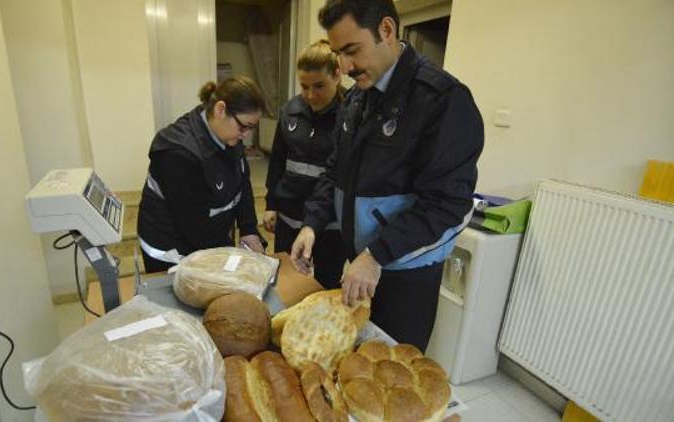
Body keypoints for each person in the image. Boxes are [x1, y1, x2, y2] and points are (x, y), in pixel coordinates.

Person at [290, 0, 484, 351]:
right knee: (355, 361)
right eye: (338, 54)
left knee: (393, 369)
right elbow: (337, 170)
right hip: (363, 263)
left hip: (405, 272)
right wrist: (312, 223)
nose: (345, 67)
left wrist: (376, 255)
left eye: (352, 51)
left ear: (387, 30)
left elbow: (447, 203)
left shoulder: (441, 100)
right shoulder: (357, 99)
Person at [137, 76, 266, 273]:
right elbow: (194, 228)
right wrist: (232, 261)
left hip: (208, 238)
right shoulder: (178, 154)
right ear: (220, 110)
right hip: (172, 251)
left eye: (251, 127)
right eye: (244, 126)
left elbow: (242, 182)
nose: (246, 135)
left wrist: (248, 229)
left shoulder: (229, 133)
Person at [263, 40, 346, 289]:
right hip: (289, 218)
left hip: (330, 226)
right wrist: (271, 204)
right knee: (286, 283)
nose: (311, 95)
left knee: (325, 286)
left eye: (319, 86)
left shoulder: (350, 116)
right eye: (304, 86)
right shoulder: (291, 111)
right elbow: (277, 160)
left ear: (338, 75)